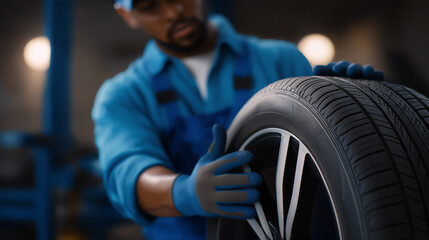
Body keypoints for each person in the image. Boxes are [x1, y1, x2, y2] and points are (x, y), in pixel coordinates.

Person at [91, 0, 383, 239]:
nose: (173, 12)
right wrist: (185, 192)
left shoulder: (281, 60)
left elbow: (325, 148)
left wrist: (352, 104)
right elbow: (128, 174)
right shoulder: (123, 95)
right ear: (127, 14)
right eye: (150, 5)